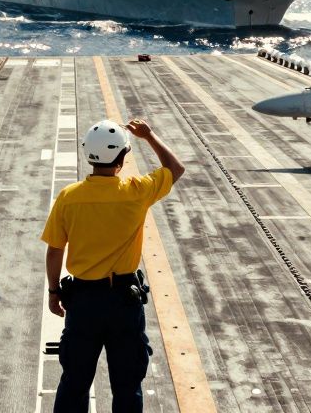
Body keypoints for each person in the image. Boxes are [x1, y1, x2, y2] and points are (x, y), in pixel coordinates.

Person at [41, 117, 186, 412]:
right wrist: (149, 136)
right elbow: (175, 169)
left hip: (83, 303)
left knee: (75, 383)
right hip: (124, 302)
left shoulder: (69, 198)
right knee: (127, 385)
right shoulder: (136, 191)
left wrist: (54, 292)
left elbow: (55, 251)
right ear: (122, 156)